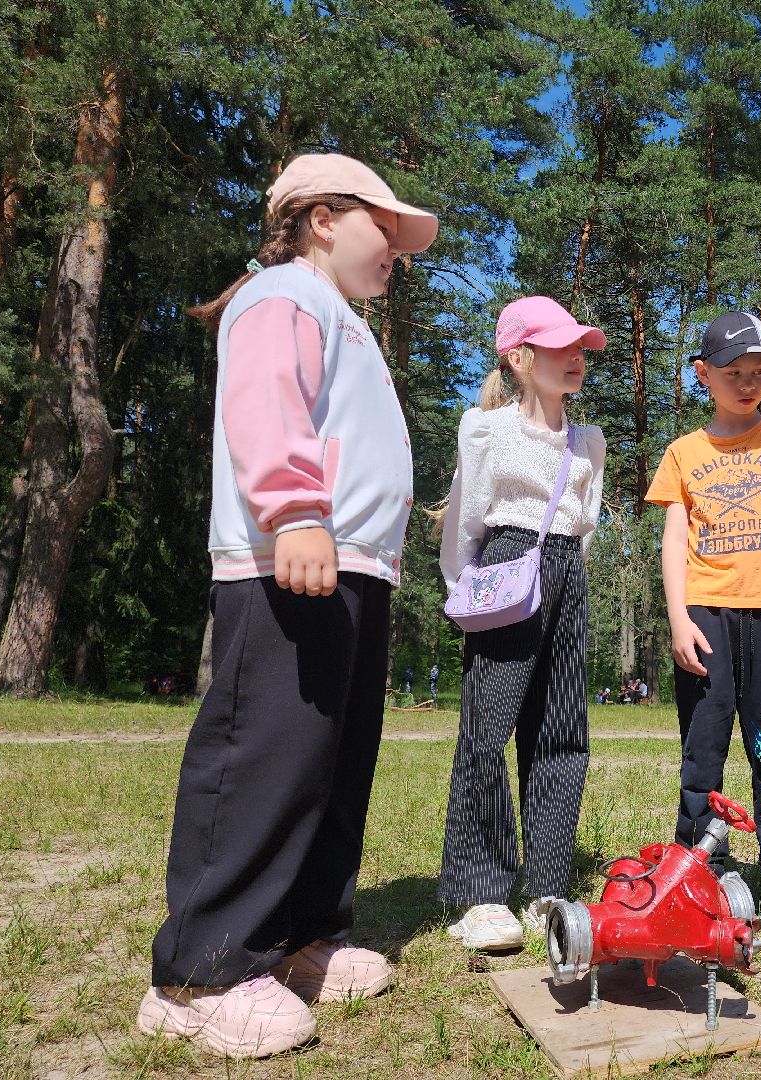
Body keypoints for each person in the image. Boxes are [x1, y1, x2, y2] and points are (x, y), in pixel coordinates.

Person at [139, 153, 439, 1057]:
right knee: (266, 753)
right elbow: (270, 406)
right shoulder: (281, 297)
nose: (397, 249)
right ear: (319, 218)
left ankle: (305, 938)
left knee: (332, 761)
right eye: (382, 228)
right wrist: (298, 511)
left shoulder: (344, 318)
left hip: (352, 569)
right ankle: (201, 973)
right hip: (290, 558)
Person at [646, 311, 761, 948]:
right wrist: (678, 617)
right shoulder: (684, 453)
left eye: (758, 373)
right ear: (704, 376)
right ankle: (704, 874)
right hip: (705, 616)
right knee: (704, 749)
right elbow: (673, 541)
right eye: (733, 374)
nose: (748, 384)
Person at [436, 296, 607, 951]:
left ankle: (547, 886)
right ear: (519, 357)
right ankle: (479, 894)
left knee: (562, 733)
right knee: (487, 732)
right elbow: (464, 526)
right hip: (507, 571)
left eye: (581, 348)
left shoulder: (587, 442)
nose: (576, 358)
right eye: (561, 347)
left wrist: (566, 584)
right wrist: (470, 599)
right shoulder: (488, 432)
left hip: (567, 577)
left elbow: (583, 526)